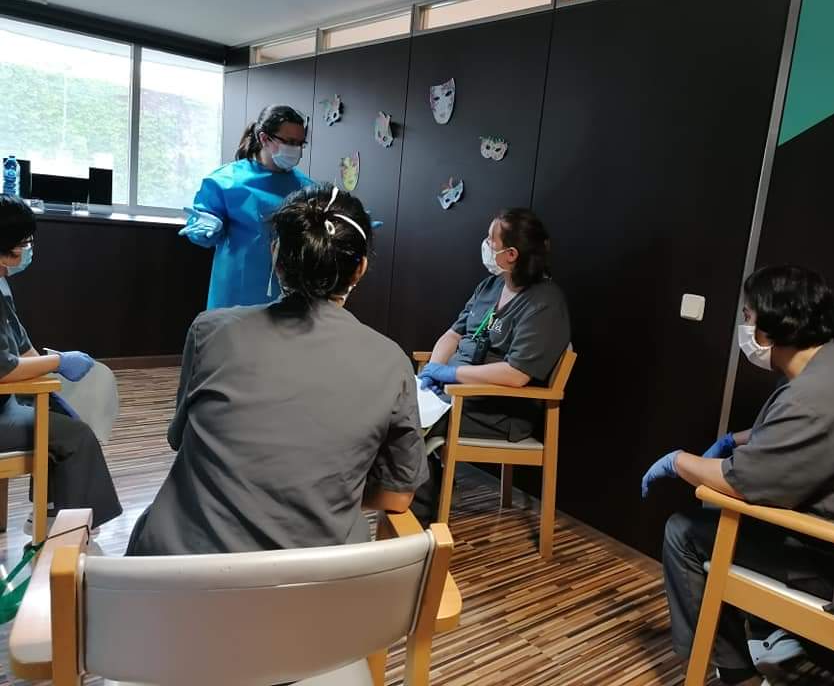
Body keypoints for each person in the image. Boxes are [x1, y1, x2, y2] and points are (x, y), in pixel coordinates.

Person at [641, 265, 834, 686]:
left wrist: (677, 461)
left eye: (748, 317)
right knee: (742, 528)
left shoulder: (815, 395)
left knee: (684, 533)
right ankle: (763, 633)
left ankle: (734, 672)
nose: (744, 327)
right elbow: (788, 439)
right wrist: (734, 439)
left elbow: (741, 482)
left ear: (772, 327)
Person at [127, 185, 428, 556]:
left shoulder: (211, 331)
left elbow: (180, 440)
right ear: (360, 269)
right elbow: (398, 497)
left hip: (171, 584)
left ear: (276, 257)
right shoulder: (392, 361)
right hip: (315, 596)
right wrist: (324, 494)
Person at [415, 208, 570, 519]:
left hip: (498, 410)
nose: (485, 244)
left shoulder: (544, 304)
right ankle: (414, 495)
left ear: (511, 254)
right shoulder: (490, 287)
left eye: (491, 240)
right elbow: (453, 333)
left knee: (406, 423)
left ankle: (418, 517)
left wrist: (453, 374)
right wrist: (433, 369)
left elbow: (516, 374)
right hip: (456, 395)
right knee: (396, 403)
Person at [0, 195, 122, 532]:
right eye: (23, 243)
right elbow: (6, 368)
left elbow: (21, 349)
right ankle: (69, 528)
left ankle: (52, 507)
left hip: (6, 400)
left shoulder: (1, 284)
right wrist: (57, 362)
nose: (28, 250)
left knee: (63, 411)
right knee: (75, 435)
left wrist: (49, 365)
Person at [180, 104, 315, 310]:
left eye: (299, 143)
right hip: (235, 291)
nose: (295, 149)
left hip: (287, 294)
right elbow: (202, 219)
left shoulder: (307, 189)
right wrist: (206, 225)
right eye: (288, 142)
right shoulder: (227, 180)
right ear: (264, 138)